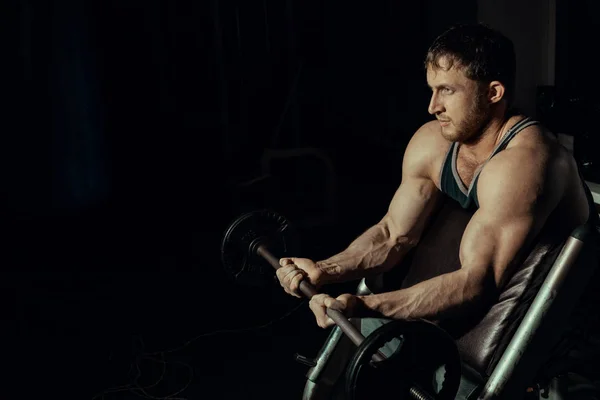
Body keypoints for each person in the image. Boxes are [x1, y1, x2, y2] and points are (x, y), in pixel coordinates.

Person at [276, 22, 596, 396]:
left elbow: (478, 281)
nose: (433, 106)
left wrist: (367, 304)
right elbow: (394, 234)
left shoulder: (527, 163)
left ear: (493, 92)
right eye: (432, 89)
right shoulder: (434, 142)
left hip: (569, 311)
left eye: (447, 91)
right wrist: (325, 269)